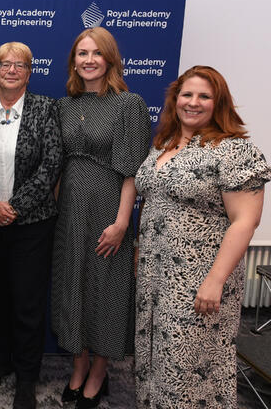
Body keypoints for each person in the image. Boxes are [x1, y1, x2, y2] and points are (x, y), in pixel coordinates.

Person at [134, 66, 270, 408]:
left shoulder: (234, 151)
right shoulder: (164, 144)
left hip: (199, 280)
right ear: (175, 100)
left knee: (189, 369)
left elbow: (245, 222)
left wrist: (215, 280)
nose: (193, 103)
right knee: (154, 360)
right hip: (155, 277)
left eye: (204, 96)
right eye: (187, 95)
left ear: (218, 103)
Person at [51, 27, 151, 409]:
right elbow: (59, 165)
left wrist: (123, 222)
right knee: (71, 287)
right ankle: (78, 368)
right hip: (70, 212)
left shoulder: (129, 104)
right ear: (73, 60)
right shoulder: (65, 105)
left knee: (106, 290)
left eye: (96, 53)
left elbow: (131, 173)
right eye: (81, 53)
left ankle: (98, 374)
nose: (88, 60)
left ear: (110, 59)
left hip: (110, 209)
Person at [0, 42, 62, 409]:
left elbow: (51, 163)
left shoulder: (45, 108)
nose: (11, 70)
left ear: (30, 71)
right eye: (4, 64)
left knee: (27, 302)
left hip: (32, 225)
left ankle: (27, 376)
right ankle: (0, 362)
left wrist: (15, 208)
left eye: (20, 64)